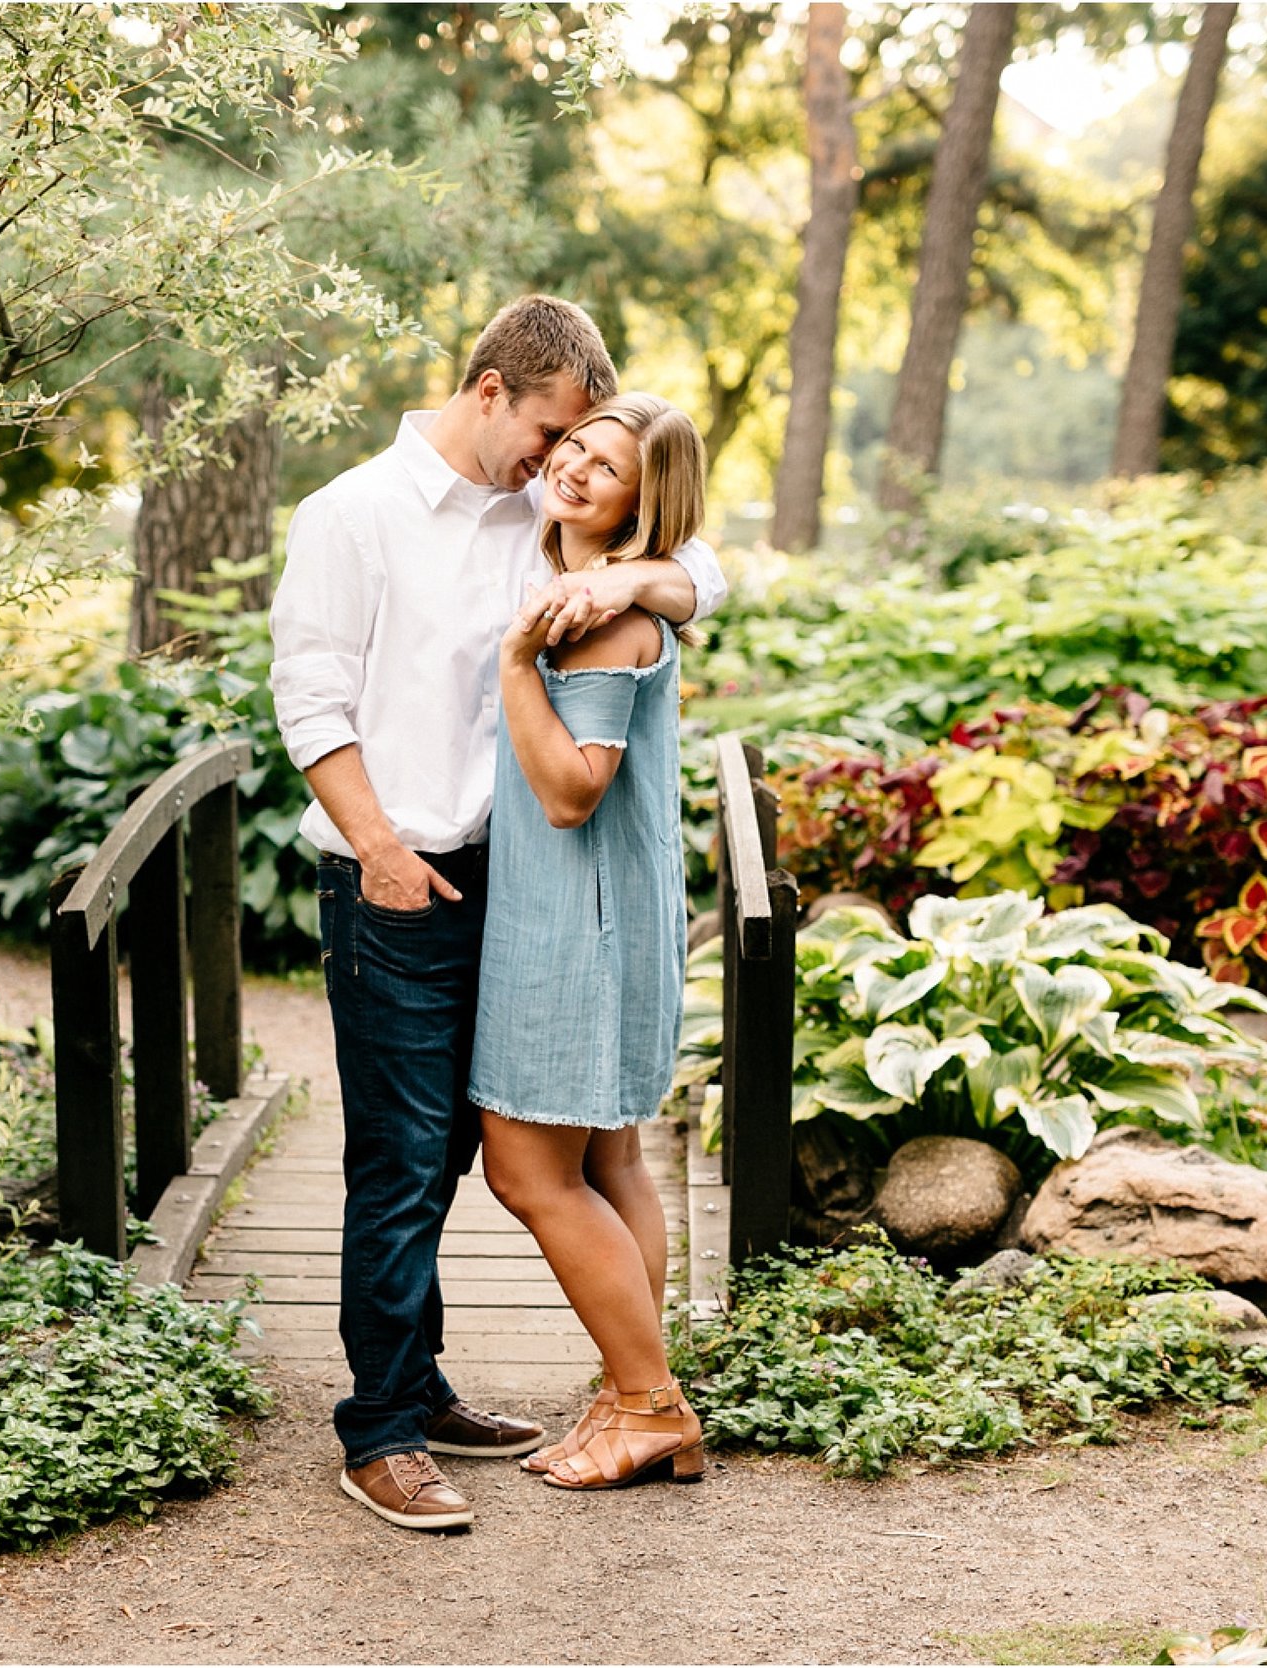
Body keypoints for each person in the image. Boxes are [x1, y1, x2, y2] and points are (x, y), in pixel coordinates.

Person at [270, 296, 726, 1532]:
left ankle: (447, 1386)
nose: (553, 458)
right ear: (487, 390)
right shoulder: (350, 516)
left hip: (520, 897)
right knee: (404, 1166)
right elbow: (311, 699)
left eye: (573, 442)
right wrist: (376, 848)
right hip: (401, 884)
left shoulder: (541, 506)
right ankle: (378, 1432)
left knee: (498, 1155)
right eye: (544, 430)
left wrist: (636, 570)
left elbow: (700, 564)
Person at [470, 393, 706, 1491]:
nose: (572, 469)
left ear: (640, 505)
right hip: (597, 910)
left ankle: (650, 1404)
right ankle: (628, 1401)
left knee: (530, 1173)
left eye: (605, 467)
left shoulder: (603, 621)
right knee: (610, 1160)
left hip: (582, 924)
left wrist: (516, 663)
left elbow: (571, 794)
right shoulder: (587, 583)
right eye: (572, 445)